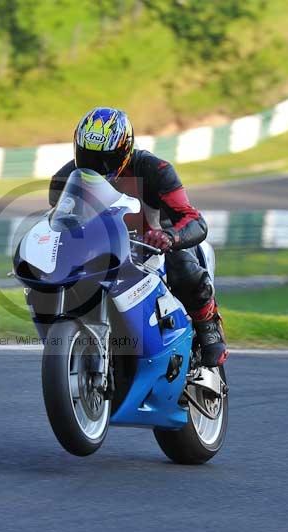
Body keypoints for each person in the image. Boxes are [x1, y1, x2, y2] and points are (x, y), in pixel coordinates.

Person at [49, 106, 228, 367]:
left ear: (125, 150)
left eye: (106, 159)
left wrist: (170, 237)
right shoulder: (64, 180)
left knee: (181, 266)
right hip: (103, 247)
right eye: (88, 157)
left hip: (154, 242)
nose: (96, 167)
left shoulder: (156, 169)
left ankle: (207, 325)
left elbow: (193, 219)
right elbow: (59, 224)